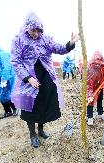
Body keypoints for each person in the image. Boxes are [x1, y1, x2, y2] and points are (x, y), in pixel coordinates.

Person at [10, 12, 79, 148]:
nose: (36, 33)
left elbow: (58, 48)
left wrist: (69, 44)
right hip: (29, 78)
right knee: (30, 106)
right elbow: (16, 61)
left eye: (38, 30)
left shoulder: (45, 39)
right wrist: (28, 78)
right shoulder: (18, 39)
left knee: (44, 103)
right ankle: (32, 134)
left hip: (45, 76)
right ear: (26, 28)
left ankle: (41, 130)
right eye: (33, 30)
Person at [86, 51, 104, 126]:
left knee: (100, 99)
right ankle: (90, 117)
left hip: (99, 85)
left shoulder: (102, 65)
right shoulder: (90, 68)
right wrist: (90, 95)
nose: (98, 64)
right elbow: (88, 84)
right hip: (91, 86)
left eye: (100, 62)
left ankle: (100, 113)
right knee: (90, 101)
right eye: (97, 62)